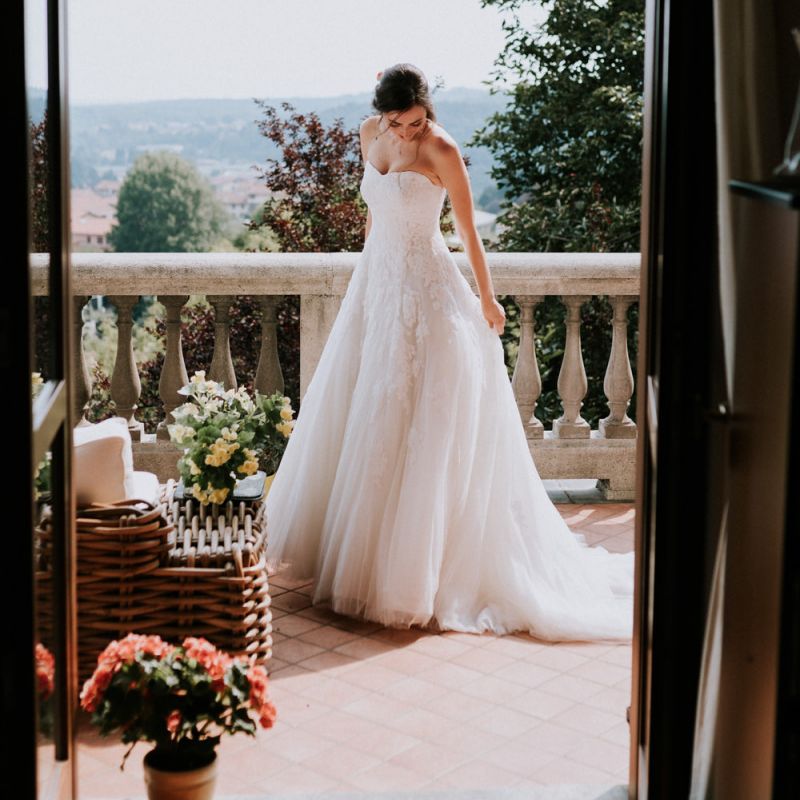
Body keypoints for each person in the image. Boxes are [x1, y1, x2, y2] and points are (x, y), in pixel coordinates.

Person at [264, 63, 634, 641]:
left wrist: (488, 299)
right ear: (381, 113)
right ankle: (355, 556)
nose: (407, 132)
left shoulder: (442, 149)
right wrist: (369, 275)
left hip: (427, 293)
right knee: (365, 415)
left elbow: (467, 230)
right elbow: (375, 216)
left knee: (417, 422)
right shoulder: (368, 134)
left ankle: (411, 575)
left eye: (415, 121)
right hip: (378, 285)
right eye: (397, 122)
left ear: (426, 110)